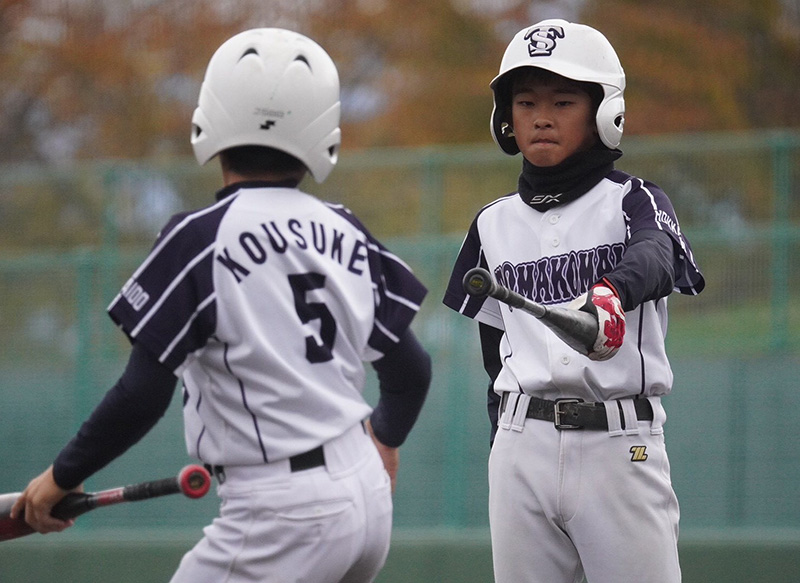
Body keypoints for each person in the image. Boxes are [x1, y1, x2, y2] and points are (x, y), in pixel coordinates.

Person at [12, 28, 431, 583]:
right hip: (366, 495)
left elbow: (142, 394)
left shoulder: (199, 238)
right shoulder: (346, 229)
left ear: (209, 117)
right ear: (322, 135)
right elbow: (410, 370)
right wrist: (386, 443)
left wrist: (60, 476)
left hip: (281, 512)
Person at [442, 19, 705, 583]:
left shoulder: (632, 199)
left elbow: (658, 255)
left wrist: (611, 292)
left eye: (563, 100)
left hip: (619, 443)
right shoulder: (492, 224)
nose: (541, 116)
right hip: (520, 448)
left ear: (602, 112)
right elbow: (496, 354)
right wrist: (503, 448)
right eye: (525, 100)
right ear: (504, 117)